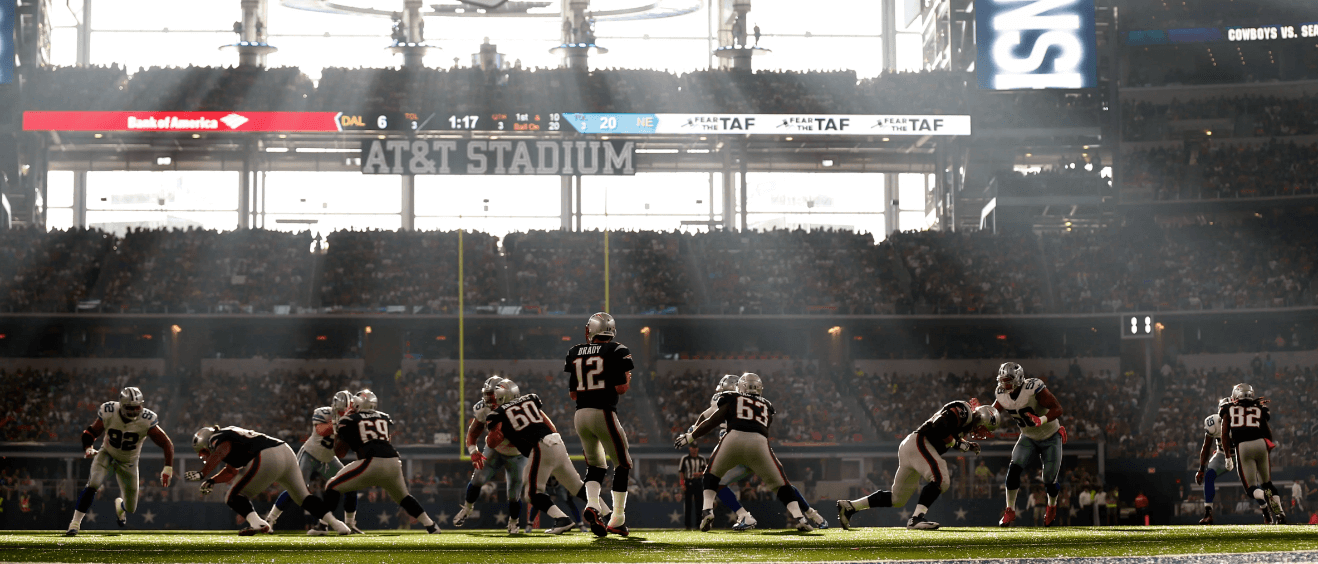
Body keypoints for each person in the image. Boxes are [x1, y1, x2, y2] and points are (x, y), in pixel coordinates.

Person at [675, 373, 814, 532]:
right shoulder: (767, 405)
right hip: (759, 443)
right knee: (781, 483)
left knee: (711, 474)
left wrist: (691, 436)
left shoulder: (730, 397)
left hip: (732, 439)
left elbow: (712, 419)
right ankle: (801, 518)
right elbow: (765, 427)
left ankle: (707, 510)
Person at [837, 400, 1000, 530]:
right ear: (981, 418)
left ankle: (851, 506)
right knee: (941, 478)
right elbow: (939, 425)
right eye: (985, 428)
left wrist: (965, 444)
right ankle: (916, 519)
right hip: (919, 442)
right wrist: (957, 445)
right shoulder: (963, 411)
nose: (983, 432)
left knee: (897, 499)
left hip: (912, 448)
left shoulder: (966, 424)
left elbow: (950, 433)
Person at [184, 425, 349, 535]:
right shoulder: (230, 435)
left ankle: (258, 523)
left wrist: (202, 473)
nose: (205, 455)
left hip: (266, 455)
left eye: (204, 451)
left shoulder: (217, 438)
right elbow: (230, 471)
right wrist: (212, 480)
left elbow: (220, 452)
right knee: (303, 497)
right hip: (285, 451)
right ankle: (337, 524)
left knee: (232, 496)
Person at [320, 390, 441, 534]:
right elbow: (383, 439)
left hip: (372, 462)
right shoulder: (383, 417)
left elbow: (340, 452)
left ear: (358, 403)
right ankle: (431, 526)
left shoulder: (349, 419)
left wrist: (338, 430)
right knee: (404, 497)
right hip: (394, 462)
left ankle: (322, 526)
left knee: (332, 485)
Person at [66, 387, 175, 536]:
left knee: (131, 508)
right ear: (122, 405)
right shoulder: (109, 411)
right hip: (107, 454)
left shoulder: (147, 419)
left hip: (129, 462)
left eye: (138, 407)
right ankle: (75, 523)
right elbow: (91, 432)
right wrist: (89, 447)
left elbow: (167, 443)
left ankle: (120, 506)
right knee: (93, 483)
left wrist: (168, 467)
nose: (135, 411)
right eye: (131, 408)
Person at [484, 378, 586, 535]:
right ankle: (604, 513)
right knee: (572, 488)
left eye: (494, 396)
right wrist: (555, 437)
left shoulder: (499, 414)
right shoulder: (529, 402)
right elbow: (548, 424)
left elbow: (491, 442)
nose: (491, 400)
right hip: (549, 446)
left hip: (538, 450)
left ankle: (563, 519)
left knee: (534, 492)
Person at [565, 312, 634, 536]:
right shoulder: (617, 350)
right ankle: (617, 518)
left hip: (580, 415)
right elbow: (622, 388)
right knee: (623, 464)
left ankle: (592, 505)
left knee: (595, 466)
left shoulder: (575, 351)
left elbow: (574, 394)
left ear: (592, 330)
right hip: (603, 412)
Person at [265, 390, 361, 534]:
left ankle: (346, 524)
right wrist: (341, 423)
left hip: (328, 459)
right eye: (342, 411)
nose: (343, 414)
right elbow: (322, 430)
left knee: (349, 484)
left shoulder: (351, 421)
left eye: (346, 411)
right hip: (310, 455)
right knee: (296, 488)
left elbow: (343, 450)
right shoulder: (324, 413)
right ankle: (270, 520)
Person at [993, 362, 1066, 527]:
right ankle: (1010, 510)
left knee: (1048, 479)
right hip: (1028, 436)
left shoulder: (1033, 388)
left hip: (1051, 435)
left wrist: (1041, 419)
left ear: (1018, 379)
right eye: (1002, 380)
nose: (1005, 384)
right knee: (1014, 468)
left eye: (1008, 380)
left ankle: (1052, 505)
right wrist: (982, 417)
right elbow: (994, 414)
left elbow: (1058, 408)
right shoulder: (1001, 393)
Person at [455, 377, 529, 535]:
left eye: (491, 395)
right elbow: (473, 432)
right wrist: (473, 451)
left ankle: (513, 522)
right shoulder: (484, 408)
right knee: (477, 479)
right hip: (494, 450)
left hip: (518, 454)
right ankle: (467, 509)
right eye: (486, 394)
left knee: (513, 494)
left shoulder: (522, 409)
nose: (487, 398)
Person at [1219, 383, 1285, 524]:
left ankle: (1265, 497)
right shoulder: (1258, 408)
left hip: (1243, 447)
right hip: (1261, 444)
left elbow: (1224, 434)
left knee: (1251, 488)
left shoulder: (1228, 408)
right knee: (1267, 483)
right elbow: (1268, 431)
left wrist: (1228, 457)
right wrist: (1268, 447)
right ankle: (1280, 513)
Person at [1194, 399, 1235, 525]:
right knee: (1209, 475)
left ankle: (1266, 510)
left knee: (1254, 480)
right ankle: (1208, 513)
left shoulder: (1241, 421)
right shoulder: (1213, 422)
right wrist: (1201, 468)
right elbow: (1206, 447)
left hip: (1241, 454)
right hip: (1222, 454)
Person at [678, 445, 707, 530]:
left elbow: (706, 471)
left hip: (698, 482)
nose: (694, 450)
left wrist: (700, 474)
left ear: (697, 449)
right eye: (692, 448)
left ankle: (699, 525)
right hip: (688, 482)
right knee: (688, 504)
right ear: (689, 448)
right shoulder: (685, 458)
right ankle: (688, 525)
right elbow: (681, 472)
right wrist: (682, 484)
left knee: (699, 504)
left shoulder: (702, 458)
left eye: (695, 448)